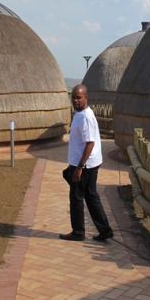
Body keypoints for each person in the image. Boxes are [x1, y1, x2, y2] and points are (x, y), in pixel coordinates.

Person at [60, 84, 114, 242]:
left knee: (77, 197)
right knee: (91, 196)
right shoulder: (79, 113)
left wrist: (79, 168)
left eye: (79, 97)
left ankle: (78, 232)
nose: (75, 100)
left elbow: (89, 143)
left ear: (86, 98)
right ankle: (105, 230)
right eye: (74, 97)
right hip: (87, 163)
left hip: (85, 165)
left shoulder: (86, 117)